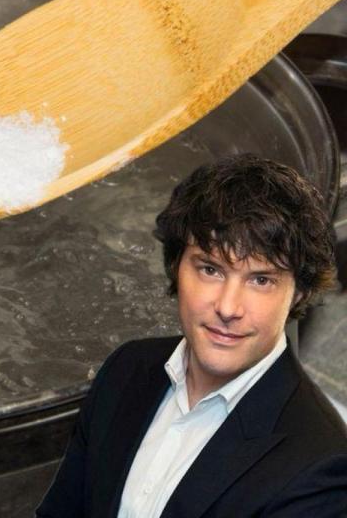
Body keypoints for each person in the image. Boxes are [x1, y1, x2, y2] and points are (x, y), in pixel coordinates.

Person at [36, 154, 347, 517]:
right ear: (176, 267)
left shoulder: (320, 468)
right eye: (210, 269)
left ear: (298, 293)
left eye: (261, 280)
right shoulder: (127, 368)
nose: (228, 307)